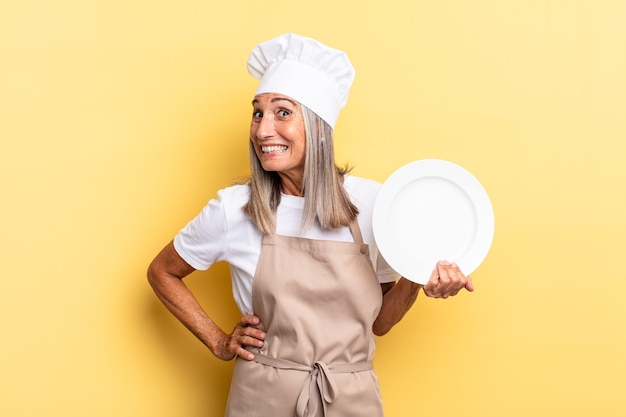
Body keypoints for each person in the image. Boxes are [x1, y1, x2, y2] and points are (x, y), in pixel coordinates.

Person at [147, 33, 474, 417]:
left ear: (319, 127)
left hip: (350, 398)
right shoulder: (234, 208)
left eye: (282, 112)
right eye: (257, 113)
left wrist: (417, 275)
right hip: (261, 398)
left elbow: (380, 323)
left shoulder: (374, 204)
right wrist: (219, 342)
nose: (262, 130)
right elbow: (162, 272)